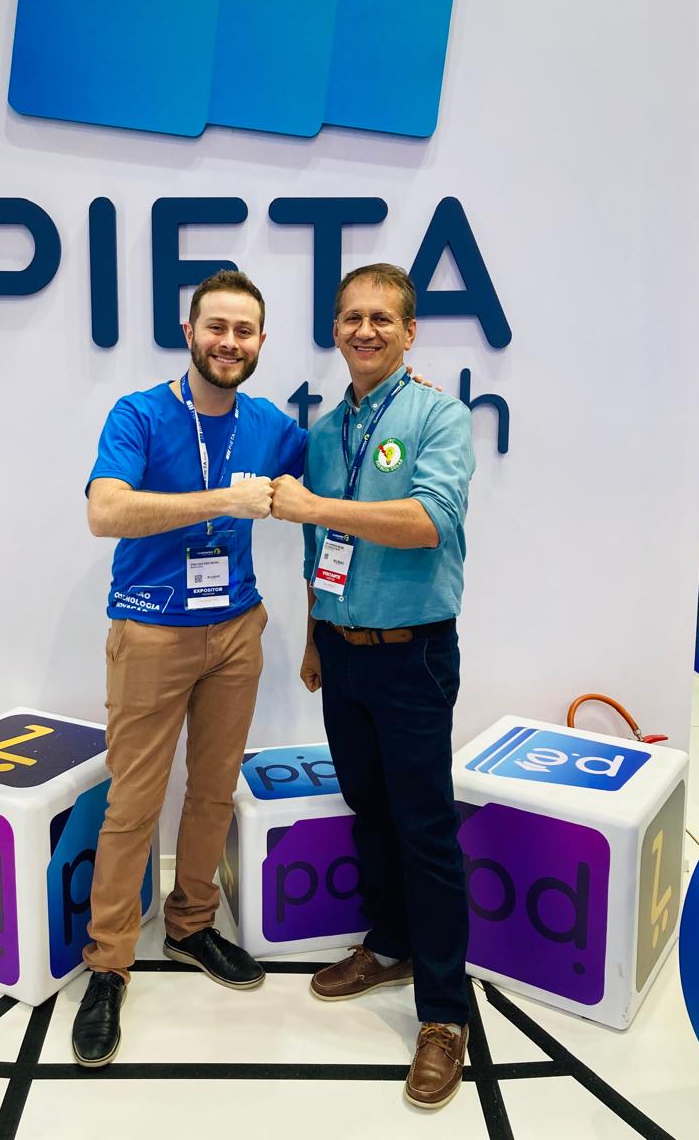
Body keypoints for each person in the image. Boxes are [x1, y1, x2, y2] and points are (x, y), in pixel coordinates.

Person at [72, 270, 307, 1068]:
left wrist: (410, 399)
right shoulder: (139, 414)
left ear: (261, 342)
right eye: (217, 327)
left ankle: (192, 925)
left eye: (244, 331)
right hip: (151, 631)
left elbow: (332, 469)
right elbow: (106, 510)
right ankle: (109, 966)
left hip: (236, 631)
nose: (229, 343)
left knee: (212, 791)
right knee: (133, 804)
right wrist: (219, 502)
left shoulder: (268, 424)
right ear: (189, 332)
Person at [270, 262, 475, 1111]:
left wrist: (316, 508)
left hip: (413, 654)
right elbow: (316, 549)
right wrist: (315, 636)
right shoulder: (325, 434)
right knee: (370, 810)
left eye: (382, 318)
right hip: (344, 654)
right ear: (336, 329)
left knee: (425, 828)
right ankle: (388, 944)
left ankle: (444, 1015)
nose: (364, 330)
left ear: (409, 330)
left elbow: (429, 523)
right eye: (352, 317)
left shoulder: (439, 415)